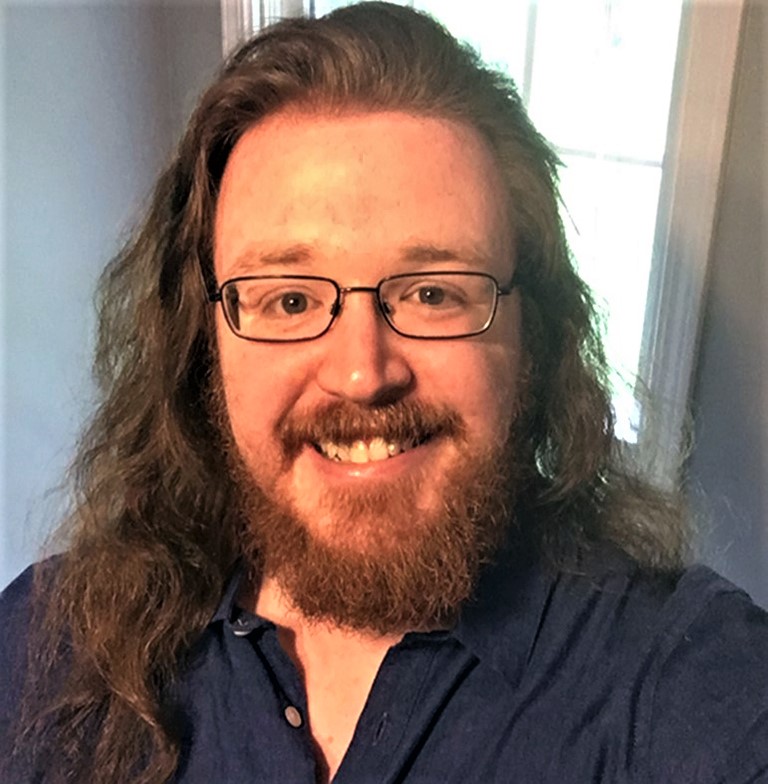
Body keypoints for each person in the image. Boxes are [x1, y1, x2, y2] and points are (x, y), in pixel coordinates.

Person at [2, 3, 767, 782]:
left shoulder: (682, 680)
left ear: (531, 335)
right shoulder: (50, 646)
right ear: (205, 347)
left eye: (434, 293)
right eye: (289, 300)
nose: (363, 376)